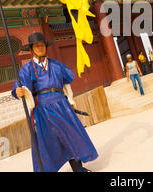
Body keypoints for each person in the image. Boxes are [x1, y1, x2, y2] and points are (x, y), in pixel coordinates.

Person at [12, 32, 98, 172]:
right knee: (47, 141)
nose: (40, 48)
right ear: (31, 49)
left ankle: (78, 169)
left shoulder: (57, 65)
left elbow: (66, 84)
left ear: (45, 47)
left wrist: (70, 100)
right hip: (42, 108)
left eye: (42, 45)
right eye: (36, 46)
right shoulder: (26, 69)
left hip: (62, 104)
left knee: (71, 136)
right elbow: (21, 88)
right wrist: (18, 91)